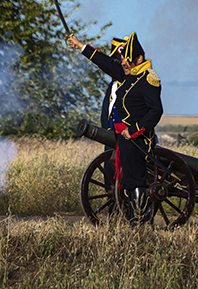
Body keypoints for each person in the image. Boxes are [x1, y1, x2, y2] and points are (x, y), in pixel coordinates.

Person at [69, 31, 161, 223]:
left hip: (138, 139)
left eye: (127, 60)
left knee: (136, 181)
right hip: (123, 140)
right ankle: (128, 218)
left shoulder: (148, 80)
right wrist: (80, 46)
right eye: (123, 60)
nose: (123, 63)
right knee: (125, 181)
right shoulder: (127, 75)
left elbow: (156, 111)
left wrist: (134, 130)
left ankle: (138, 224)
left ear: (139, 59)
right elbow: (105, 62)